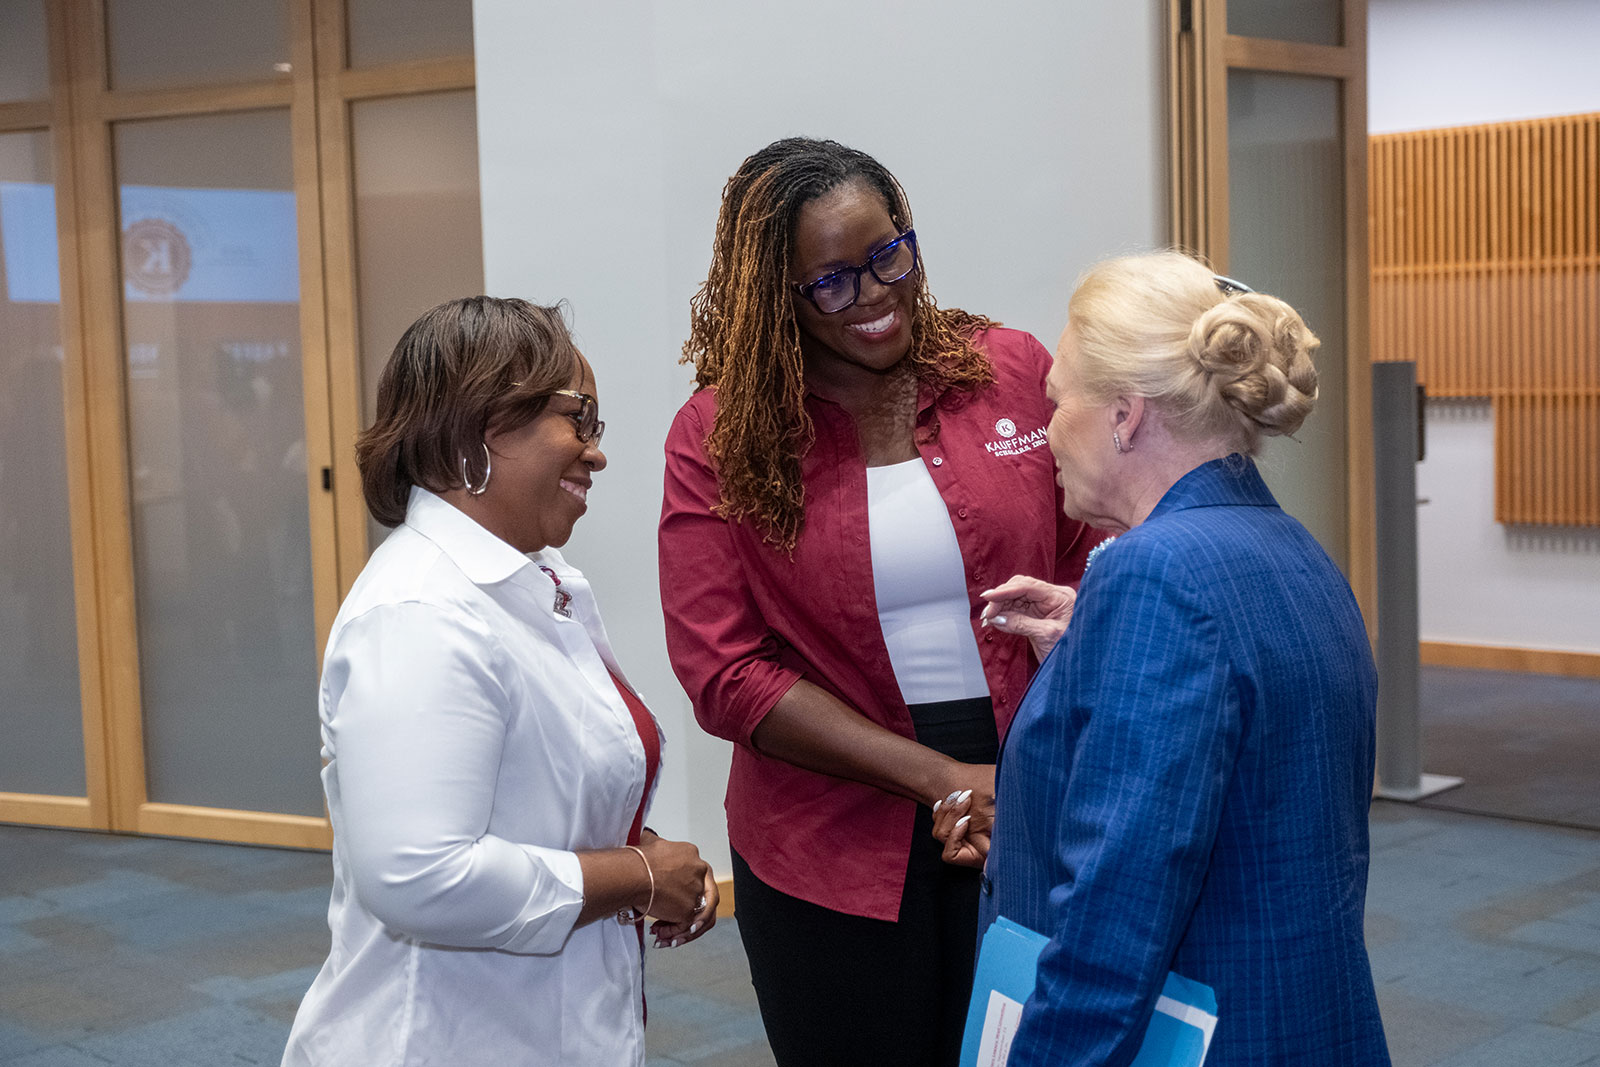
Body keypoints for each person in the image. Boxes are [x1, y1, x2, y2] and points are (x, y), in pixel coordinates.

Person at [658, 137, 1101, 1065]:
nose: (873, 296)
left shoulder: (1006, 368)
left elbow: (1093, 551)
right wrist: (941, 778)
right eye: (829, 282)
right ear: (773, 295)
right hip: (828, 826)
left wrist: (1034, 771)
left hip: (1028, 795)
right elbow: (725, 671)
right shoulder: (722, 434)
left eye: (886, 256)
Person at [942, 252, 1390, 1064]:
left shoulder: (1154, 576)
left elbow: (1117, 910)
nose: (1045, 434)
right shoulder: (1291, 549)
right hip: (1300, 1022)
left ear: (1123, 413)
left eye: (1058, 402)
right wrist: (1096, 645)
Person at [282, 297, 718, 1067]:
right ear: (482, 423)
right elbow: (419, 874)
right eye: (578, 419)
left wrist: (646, 863)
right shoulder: (421, 610)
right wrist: (638, 873)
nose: (596, 451)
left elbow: (532, 793)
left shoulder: (536, 578)